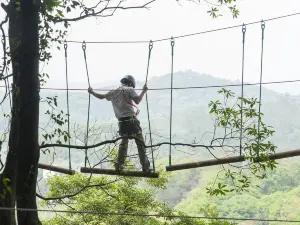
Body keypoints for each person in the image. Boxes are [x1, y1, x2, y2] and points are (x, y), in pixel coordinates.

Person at [88, 75, 152, 173]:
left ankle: (119, 164)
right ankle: (145, 167)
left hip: (122, 122)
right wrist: (144, 91)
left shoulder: (113, 92)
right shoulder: (130, 89)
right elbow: (137, 100)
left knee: (123, 144)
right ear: (130, 83)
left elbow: (101, 97)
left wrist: (91, 92)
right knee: (140, 144)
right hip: (132, 121)